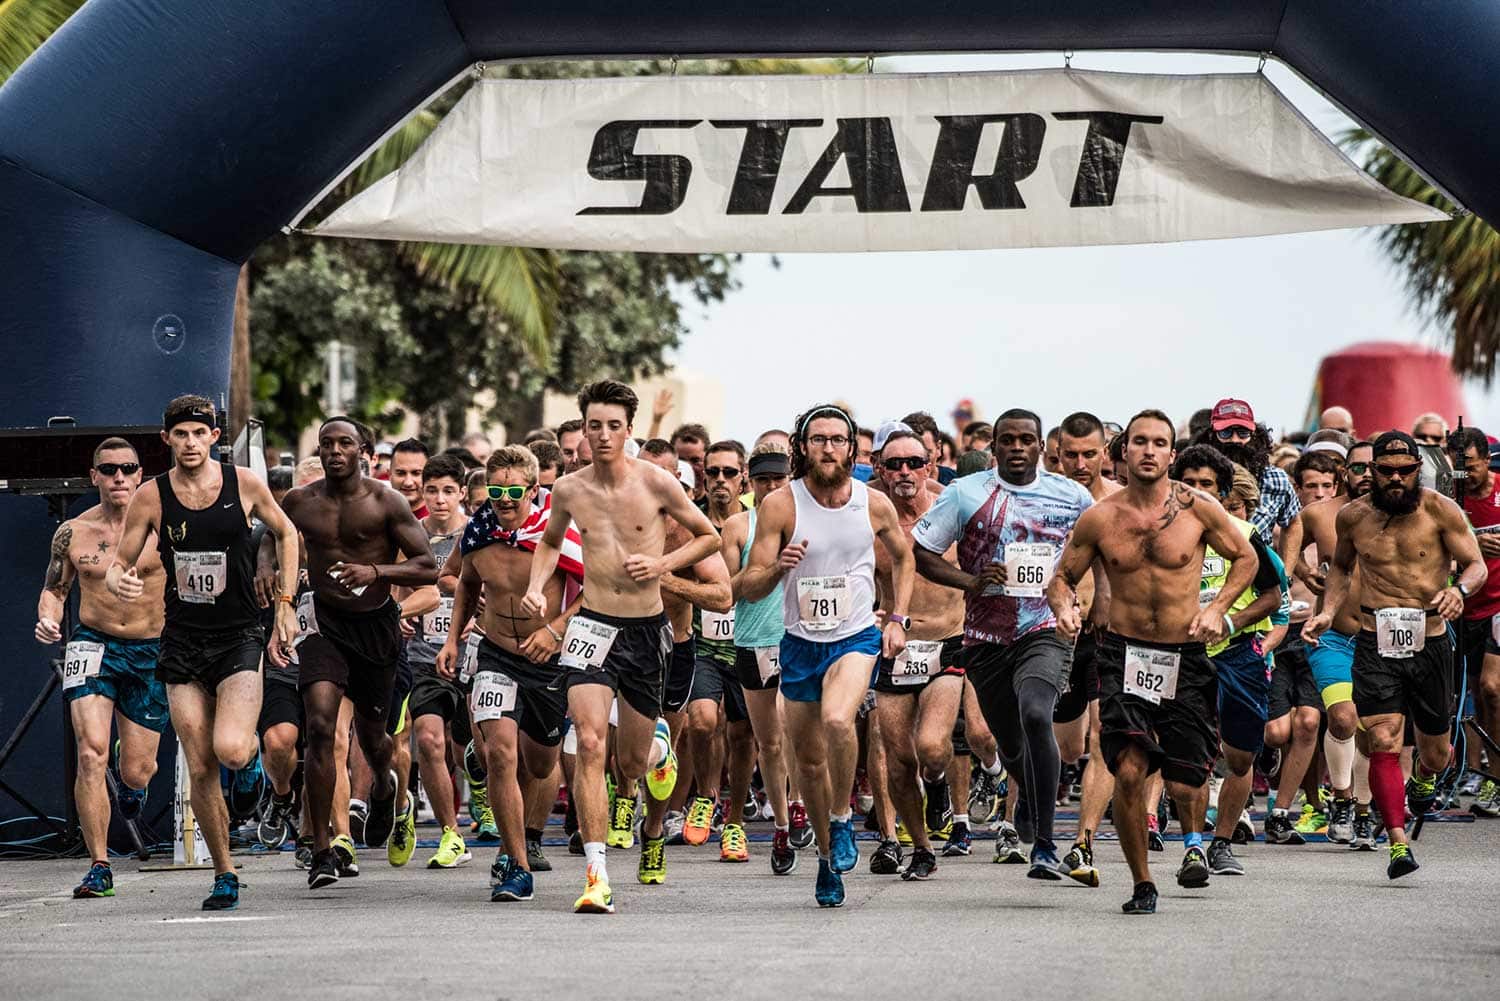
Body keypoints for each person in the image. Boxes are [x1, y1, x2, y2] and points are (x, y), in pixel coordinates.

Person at [1048, 409, 1259, 914]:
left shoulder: (1199, 510)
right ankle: (1143, 883)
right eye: (1138, 441)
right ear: (1123, 452)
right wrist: (1064, 607)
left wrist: (1218, 608)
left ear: (1171, 453)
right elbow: (1062, 576)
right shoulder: (1100, 517)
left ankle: (1192, 845)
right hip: (1122, 654)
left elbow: (1246, 559)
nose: (1148, 450)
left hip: (1184, 654)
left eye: (1158, 443)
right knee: (1126, 770)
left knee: (1187, 779)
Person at [524, 380, 720, 914]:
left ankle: (658, 752)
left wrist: (662, 564)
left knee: (630, 762)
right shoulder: (569, 489)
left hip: (645, 632)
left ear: (629, 430)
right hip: (591, 626)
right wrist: (536, 585)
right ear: (584, 430)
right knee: (589, 743)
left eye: (613, 425)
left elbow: (709, 537)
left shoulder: (657, 483)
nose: (603, 434)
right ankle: (596, 874)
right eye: (594, 425)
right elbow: (548, 541)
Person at [107, 395, 300, 910]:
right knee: (201, 764)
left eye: (199, 433)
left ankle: (253, 768)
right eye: (181, 434)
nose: (190, 443)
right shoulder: (151, 496)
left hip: (239, 634)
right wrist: (117, 579)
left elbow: (287, 532)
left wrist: (284, 603)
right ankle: (225, 874)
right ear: (166, 439)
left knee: (232, 748)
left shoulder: (244, 484)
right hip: (183, 641)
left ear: (214, 437)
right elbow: (120, 559)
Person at [741, 403, 913, 907]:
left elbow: (904, 558)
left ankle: (841, 820)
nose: (829, 448)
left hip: (856, 636)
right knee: (808, 763)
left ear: (852, 448)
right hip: (799, 644)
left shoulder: (872, 502)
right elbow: (749, 586)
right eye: (819, 439)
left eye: (838, 439)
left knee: (840, 720)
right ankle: (823, 856)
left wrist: (897, 617)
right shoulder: (781, 505)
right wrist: (778, 568)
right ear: (803, 447)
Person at [913, 409, 1094, 881]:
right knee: (1009, 745)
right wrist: (970, 581)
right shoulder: (965, 493)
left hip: (1044, 629)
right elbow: (922, 555)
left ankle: (1047, 847)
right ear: (994, 447)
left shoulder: (1072, 495)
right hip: (986, 639)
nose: (1017, 447)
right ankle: (1028, 795)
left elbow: (1099, 548)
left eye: (1026, 439)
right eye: (1007, 440)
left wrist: (1089, 603)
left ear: (1042, 447)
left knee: (1037, 713)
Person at [1304, 431, 1486, 878]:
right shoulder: (1353, 518)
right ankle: (1397, 843)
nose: (1396, 479)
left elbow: (1477, 565)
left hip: (1430, 638)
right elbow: (1342, 568)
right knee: (1383, 739)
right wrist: (1327, 611)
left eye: (1405, 471)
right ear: (1373, 473)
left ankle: (1425, 778)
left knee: (1436, 752)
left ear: (1418, 470)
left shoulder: (1441, 510)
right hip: (1376, 639)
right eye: (1386, 471)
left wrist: (1458, 591)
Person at [276, 417, 438, 890]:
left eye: (344, 443)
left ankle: (386, 787)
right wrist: (270, 568)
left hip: (377, 629)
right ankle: (323, 851)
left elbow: (427, 566)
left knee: (374, 740)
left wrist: (376, 571)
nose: (334, 451)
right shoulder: (300, 501)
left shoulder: (387, 501)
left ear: (364, 450)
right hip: (325, 626)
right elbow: (276, 537)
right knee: (321, 728)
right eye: (326, 443)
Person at [439, 445, 585, 901]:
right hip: (494, 652)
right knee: (499, 754)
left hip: (546, 661)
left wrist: (556, 630)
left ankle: (514, 837)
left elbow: (597, 588)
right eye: (496, 490)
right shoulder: (478, 531)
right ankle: (517, 865)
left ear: (533, 489)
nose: (503, 500)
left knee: (540, 763)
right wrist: (454, 636)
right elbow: (462, 579)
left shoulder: (555, 532)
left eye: (513, 491)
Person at [36, 438, 168, 899]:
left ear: (140, 474)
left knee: (139, 770)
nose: (118, 477)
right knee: (89, 751)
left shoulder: (162, 526)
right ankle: (99, 865)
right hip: (93, 644)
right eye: (108, 469)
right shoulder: (73, 531)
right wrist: (48, 618)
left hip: (151, 649)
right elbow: (55, 588)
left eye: (127, 468)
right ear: (94, 476)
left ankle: (130, 778)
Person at [1172, 451, 1286, 876]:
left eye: (1206, 485)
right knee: (1191, 754)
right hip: (1184, 656)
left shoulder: (1245, 533)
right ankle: (1194, 846)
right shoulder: (1161, 533)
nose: (1196, 492)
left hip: (1238, 654)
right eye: (1188, 483)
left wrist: (1229, 620)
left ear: (1222, 493)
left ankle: (1222, 842)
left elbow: (1273, 598)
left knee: (1239, 758)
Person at [872, 427, 967, 880]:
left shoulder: (955, 508)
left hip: (948, 641)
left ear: (930, 465)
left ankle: (939, 784)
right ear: (880, 470)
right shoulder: (870, 518)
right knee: (898, 757)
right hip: (894, 647)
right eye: (894, 464)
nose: (904, 472)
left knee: (930, 747)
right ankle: (922, 848)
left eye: (914, 463)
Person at [722, 443, 804, 874]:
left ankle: (800, 802)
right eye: (763, 480)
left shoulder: (807, 518)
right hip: (754, 640)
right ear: (749, 484)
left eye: (779, 479)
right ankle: (782, 824)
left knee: (796, 729)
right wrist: (766, 570)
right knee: (769, 742)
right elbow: (725, 593)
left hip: (799, 637)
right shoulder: (738, 525)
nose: (771, 486)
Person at [1050, 411, 1122, 885]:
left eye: (1089, 454)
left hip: (1111, 636)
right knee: (1065, 744)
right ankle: (1025, 819)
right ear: (1056, 454)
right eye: (1070, 455)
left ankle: (1083, 843)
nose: (1080, 463)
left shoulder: (1124, 502)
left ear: (1105, 454)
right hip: (1053, 632)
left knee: (1104, 737)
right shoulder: (1045, 501)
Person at [1292, 441, 1376, 846]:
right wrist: (1305, 574)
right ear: (1345, 471)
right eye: (1357, 466)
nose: (1366, 473)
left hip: (1382, 640)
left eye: (1372, 466)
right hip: (1332, 636)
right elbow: (1282, 550)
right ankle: (1341, 800)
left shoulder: (1406, 515)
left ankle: (1363, 808)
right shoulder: (1319, 513)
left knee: (1373, 730)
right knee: (1342, 718)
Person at [681, 440, 756, 859]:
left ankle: (736, 822)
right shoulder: (690, 521)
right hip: (702, 645)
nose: (721, 481)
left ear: (743, 475)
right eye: (713, 473)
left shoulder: (756, 523)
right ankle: (707, 795)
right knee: (702, 721)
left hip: (748, 642)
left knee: (744, 734)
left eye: (730, 473)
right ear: (703, 476)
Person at [402, 454, 474, 868]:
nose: (441, 499)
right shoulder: (410, 534)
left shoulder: (478, 533)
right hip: (423, 657)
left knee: (471, 751)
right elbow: (396, 582)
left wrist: (477, 618)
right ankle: (451, 833)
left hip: (474, 659)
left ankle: (481, 796)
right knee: (429, 739)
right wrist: (402, 615)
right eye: (433, 490)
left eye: (449, 491)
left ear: (462, 492)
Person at [1449, 425, 1500, 816]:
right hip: (1463, 607)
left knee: (1492, 688)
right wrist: (1470, 544)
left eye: (1469, 464)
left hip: (1499, 606)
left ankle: (1496, 779)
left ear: (1485, 459)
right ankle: (1477, 775)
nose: (1464, 472)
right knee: (1470, 697)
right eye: (1456, 465)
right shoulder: (1448, 498)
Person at [1197, 399, 1302, 568]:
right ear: (1211, 436)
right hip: (1206, 580)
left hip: (1262, 581)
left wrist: (1286, 574)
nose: (1235, 440)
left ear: (1255, 436)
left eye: (1243, 433)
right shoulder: (1195, 480)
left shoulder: (1275, 479)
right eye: (1226, 433)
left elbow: (1293, 523)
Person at [388, 438, 430, 519]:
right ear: (389, 474)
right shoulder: (375, 518)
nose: (408, 482)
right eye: (401, 473)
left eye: (416, 473)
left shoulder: (441, 524)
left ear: (429, 475)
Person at [671, 423, 711, 504]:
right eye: (681, 460)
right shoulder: (659, 502)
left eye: (695, 460)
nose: (688, 467)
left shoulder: (716, 508)